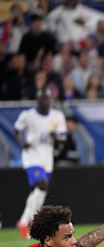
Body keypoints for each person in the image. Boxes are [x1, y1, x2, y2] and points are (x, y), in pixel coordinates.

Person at [13, 88, 66, 238]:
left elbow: (63, 136)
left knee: (41, 191)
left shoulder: (57, 116)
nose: (46, 101)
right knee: (41, 184)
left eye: (48, 98)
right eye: (43, 99)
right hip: (31, 156)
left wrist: (55, 135)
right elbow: (15, 130)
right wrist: (22, 142)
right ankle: (31, 221)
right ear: (37, 100)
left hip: (47, 157)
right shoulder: (28, 116)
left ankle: (24, 221)